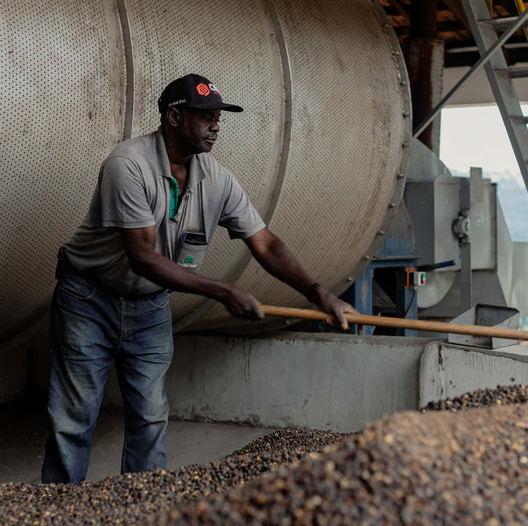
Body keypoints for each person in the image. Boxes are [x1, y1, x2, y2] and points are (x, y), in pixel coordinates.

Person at [42, 73, 354, 484]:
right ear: (173, 117)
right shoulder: (128, 165)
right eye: (205, 115)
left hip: (150, 306)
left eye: (218, 117)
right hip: (89, 299)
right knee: (74, 416)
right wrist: (222, 291)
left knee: (150, 417)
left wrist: (319, 294)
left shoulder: (216, 178)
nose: (216, 125)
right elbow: (142, 257)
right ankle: (61, 512)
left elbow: (266, 244)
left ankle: (143, 512)